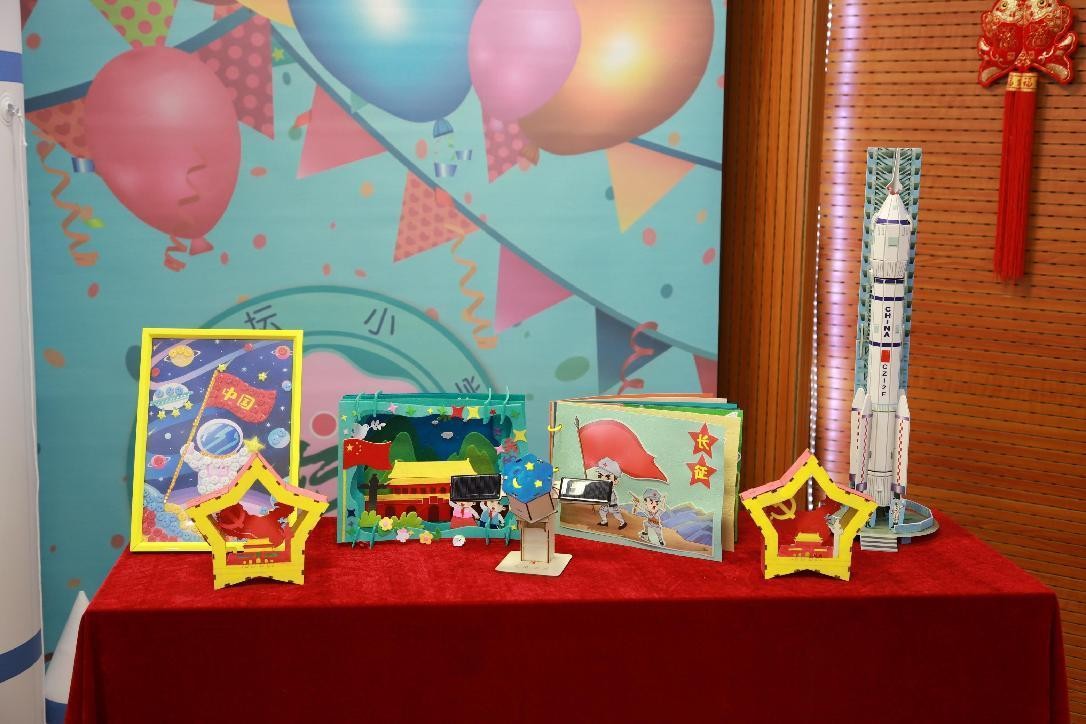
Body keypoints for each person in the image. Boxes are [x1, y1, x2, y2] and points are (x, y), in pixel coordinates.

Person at [593, 457, 627, 530]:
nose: (603, 479)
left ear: (615, 482)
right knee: (601, 511)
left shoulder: (611, 491)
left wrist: (611, 504)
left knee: (616, 514)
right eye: (600, 475)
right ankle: (604, 521)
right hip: (605, 504)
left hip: (611, 504)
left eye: (608, 477)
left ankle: (623, 522)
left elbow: (612, 499)